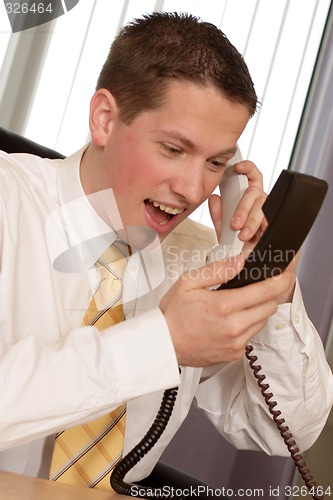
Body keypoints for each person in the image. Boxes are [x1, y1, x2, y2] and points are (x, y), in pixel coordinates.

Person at [0, 10, 332, 495]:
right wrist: (161, 341)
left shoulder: (201, 260)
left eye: (217, 162)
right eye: (174, 149)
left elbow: (286, 430)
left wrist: (266, 278)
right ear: (105, 119)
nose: (193, 188)